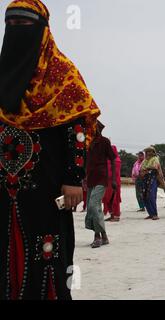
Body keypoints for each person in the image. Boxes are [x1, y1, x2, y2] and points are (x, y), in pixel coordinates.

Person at [0, 0, 100, 299]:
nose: (18, 31)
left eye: (25, 25)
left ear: (43, 30)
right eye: (12, 25)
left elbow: (78, 131)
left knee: (47, 251)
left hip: (48, 186)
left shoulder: (62, 75)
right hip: (3, 187)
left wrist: (73, 178)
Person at [85, 121, 116, 248]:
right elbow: (84, 163)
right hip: (91, 179)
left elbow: (113, 160)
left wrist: (113, 179)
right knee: (93, 208)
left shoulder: (104, 141)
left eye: (94, 127)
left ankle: (98, 236)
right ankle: (103, 236)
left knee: (93, 205)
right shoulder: (87, 143)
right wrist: (83, 178)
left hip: (102, 178)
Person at [140, 146, 165, 220]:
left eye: (150, 151)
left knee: (151, 196)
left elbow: (154, 167)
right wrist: (146, 170)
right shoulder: (145, 160)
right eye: (147, 151)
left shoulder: (155, 159)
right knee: (145, 196)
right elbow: (141, 168)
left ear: (153, 152)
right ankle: (150, 213)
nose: (148, 153)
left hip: (152, 179)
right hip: (145, 180)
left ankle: (155, 214)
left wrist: (146, 170)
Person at [103, 145, 122, 222]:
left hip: (114, 183)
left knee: (114, 200)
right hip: (107, 183)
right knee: (107, 199)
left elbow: (114, 173)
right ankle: (111, 215)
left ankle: (116, 216)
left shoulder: (116, 160)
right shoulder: (107, 160)